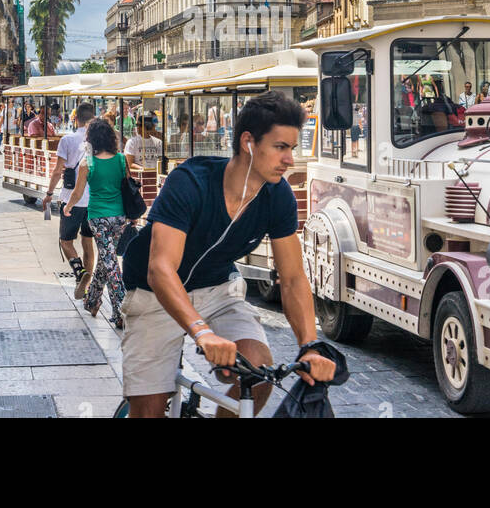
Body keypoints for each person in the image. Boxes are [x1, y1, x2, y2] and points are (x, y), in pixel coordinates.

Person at [119, 90, 336, 417]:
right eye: (280, 147)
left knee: (258, 371)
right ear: (249, 142)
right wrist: (202, 333)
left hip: (219, 289)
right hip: (154, 293)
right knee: (149, 407)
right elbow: (160, 269)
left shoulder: (278, 197)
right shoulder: (191, 182)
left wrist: (309, 346)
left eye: (292, 148)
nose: (290, 159)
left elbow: (292, 279)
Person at [65, 119, 130, 328]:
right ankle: (93, 301)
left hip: (98, 218)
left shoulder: (88, 162)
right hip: (119, 217)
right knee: (108, 260)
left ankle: (119, 310)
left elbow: (78, 192)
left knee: (109, 262)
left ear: (91, 139)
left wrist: (68, 207)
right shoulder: (121, 160)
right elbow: (127, 187)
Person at [44, 102, 98, 300]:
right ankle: (86, 285)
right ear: (93, 118)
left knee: (66, 242)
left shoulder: (67, 140)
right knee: (87, 242)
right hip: (93, 201)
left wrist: (49, 193)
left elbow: (58, 171)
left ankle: (80, 273)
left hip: (72, 199)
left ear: (75, 118)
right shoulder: (97, 141)